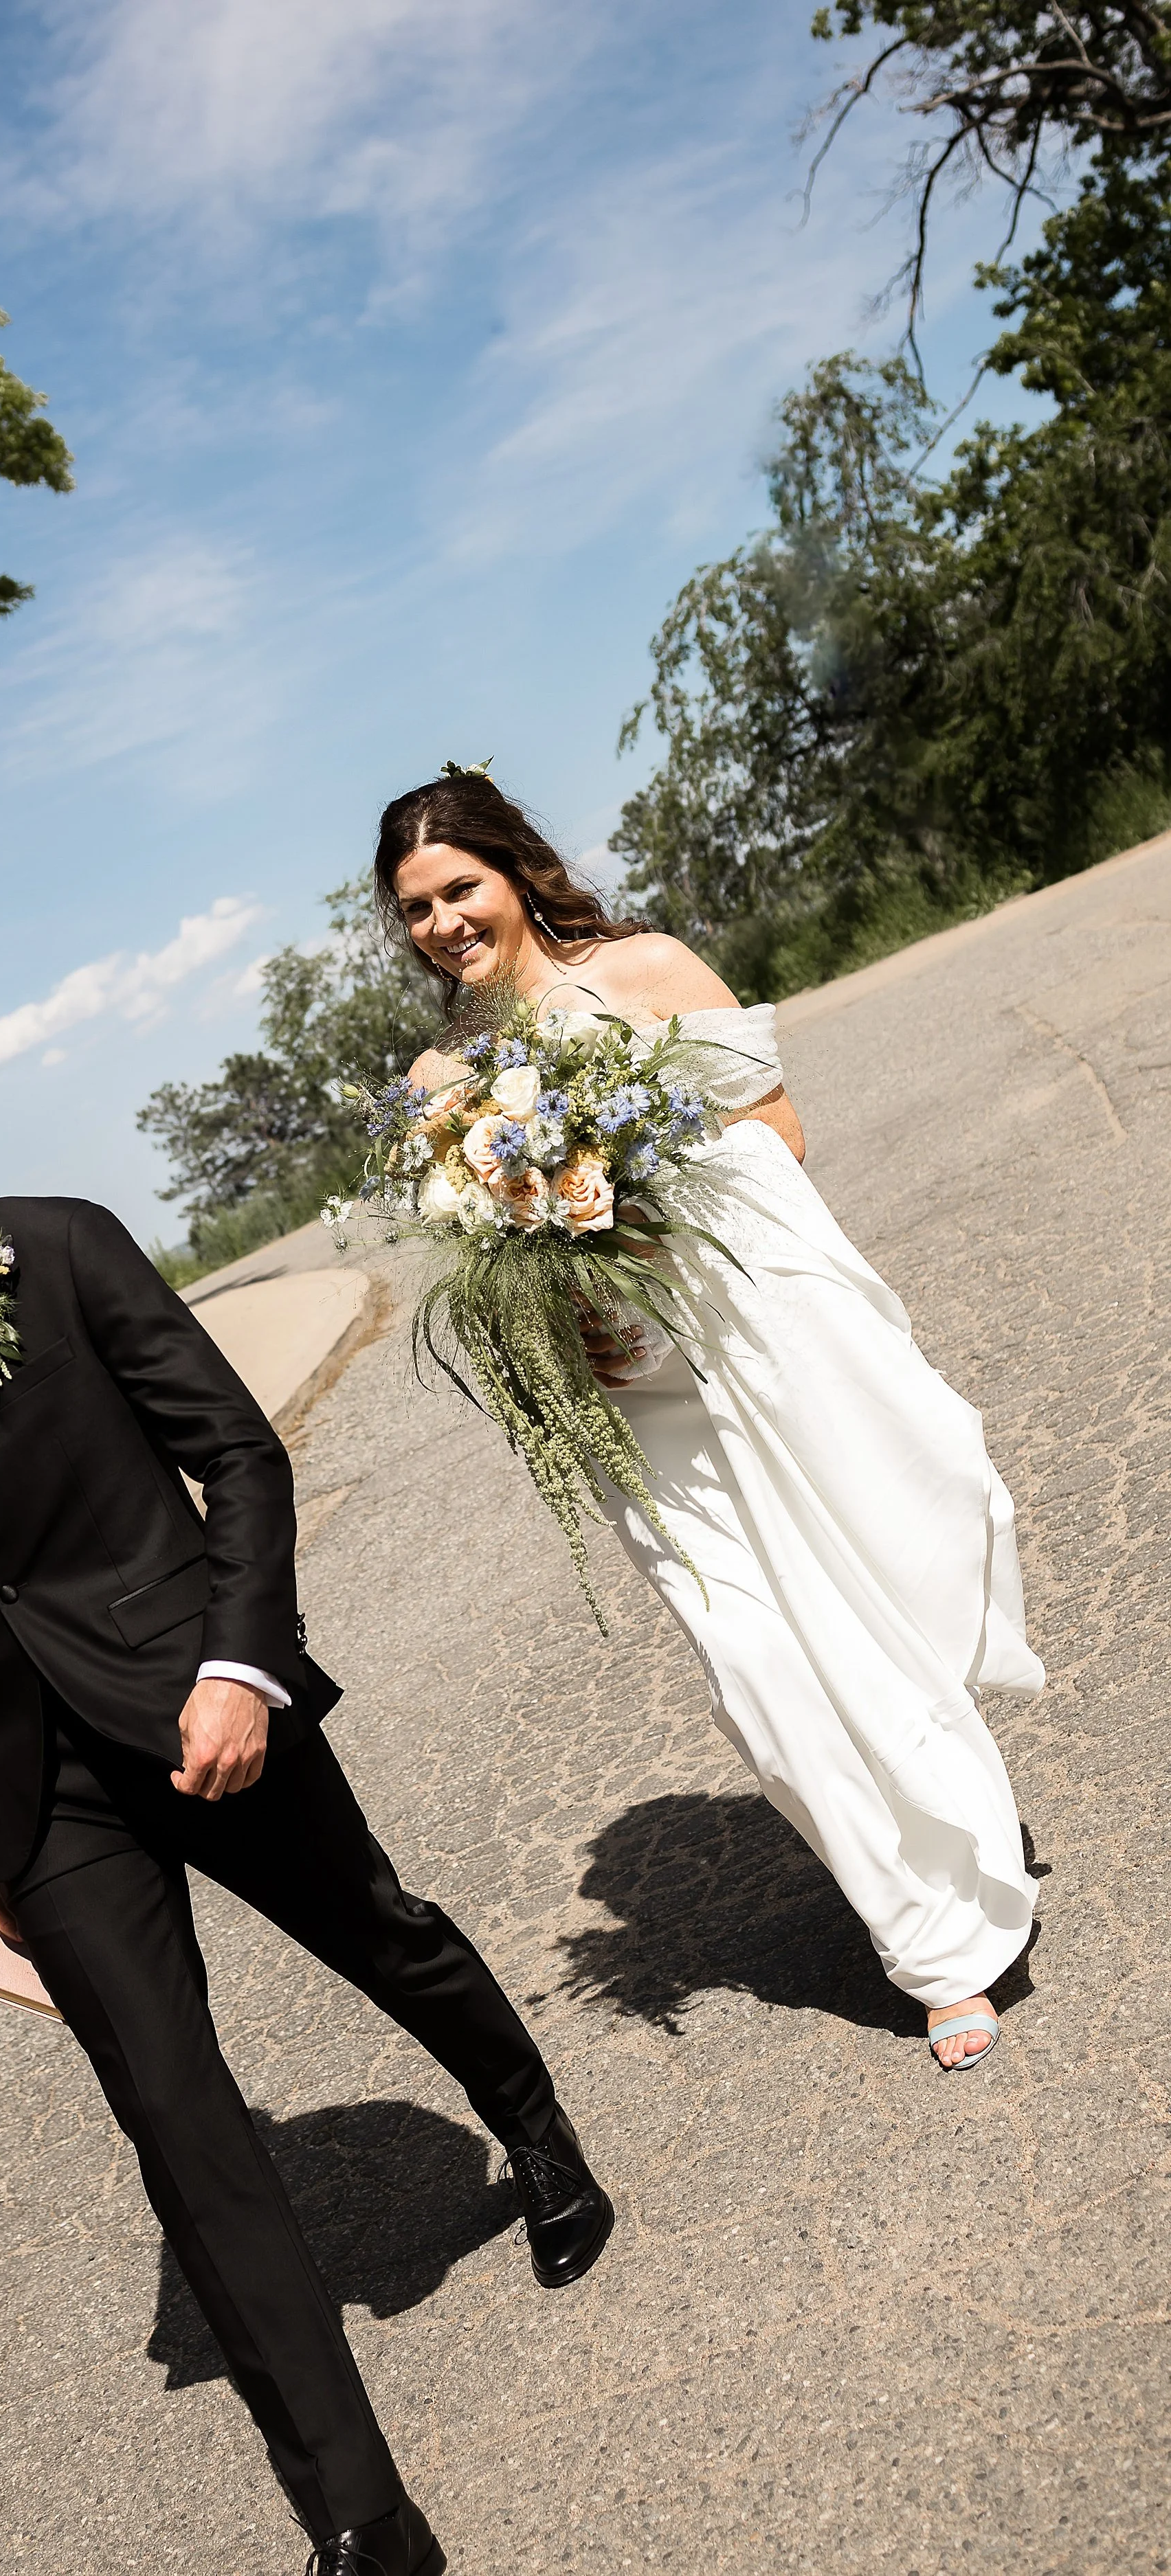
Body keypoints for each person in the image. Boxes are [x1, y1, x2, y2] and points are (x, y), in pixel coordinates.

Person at [0, 1030, 615, 2576]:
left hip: (196, 1712)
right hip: (34, 1794)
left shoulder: (56, 1246)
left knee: (378, 1933)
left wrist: (240, 1668)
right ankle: (360, 2512)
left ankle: (535, 2129)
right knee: (175, 2117)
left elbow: (236, 1456)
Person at [377, 770, 1042, 2074]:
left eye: (460, 888)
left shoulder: (644, 971)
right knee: (760, 1660)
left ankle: (962, 1845)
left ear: (512, 871)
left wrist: (637, 1205)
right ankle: (934, 1950)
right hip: (632, 1398)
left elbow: (778, 1128)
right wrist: (554, 1296)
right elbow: (475, 1254)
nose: (443, 923)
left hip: (751, 1342)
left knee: (862, 1602)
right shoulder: (438, 1075)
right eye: (416, 908)